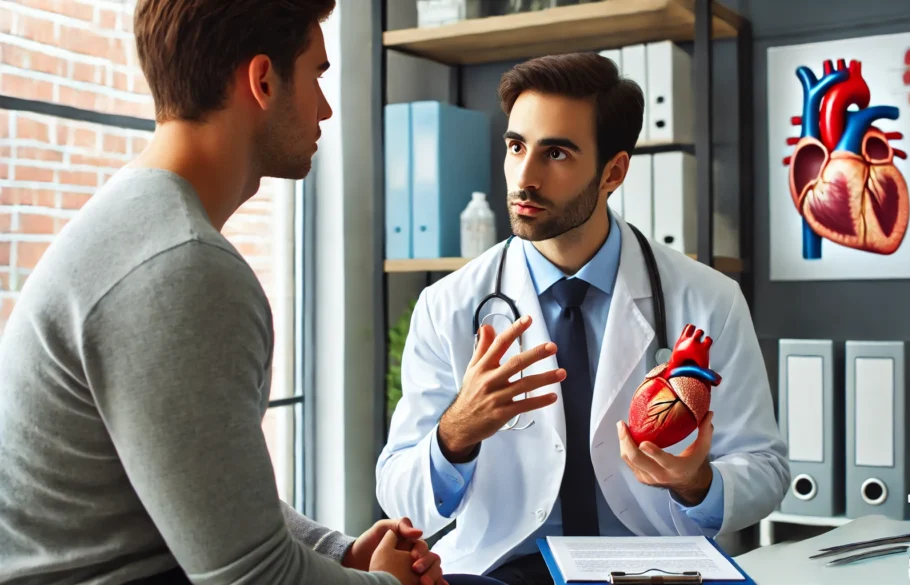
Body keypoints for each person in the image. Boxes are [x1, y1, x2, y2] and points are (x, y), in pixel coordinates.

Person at [0, 2, 503, 585]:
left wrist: (339, 554)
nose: (326, 107)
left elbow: (210, 493)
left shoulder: (141, 225)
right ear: (263, 81)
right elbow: (252, 579)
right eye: (317, 75)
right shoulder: (182, 269)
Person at [375, 52, 790, 584]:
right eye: (516, 146)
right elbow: (400, 494)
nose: (524, 178)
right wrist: (456, 433)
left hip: (653, 568)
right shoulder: (448, 305)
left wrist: (698, 484)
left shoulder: (710, 299)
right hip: (500, 568)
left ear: (613, 172)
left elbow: (766, 469)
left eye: (557, 154)